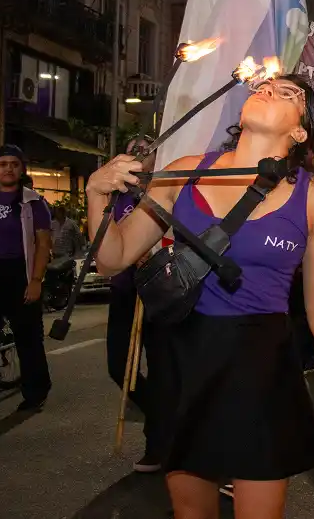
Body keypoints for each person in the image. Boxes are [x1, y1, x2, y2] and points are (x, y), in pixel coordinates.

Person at [84, 75, 314, 519]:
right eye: (265, 86)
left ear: (301, 130)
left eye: (288, 93)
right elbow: (113, 258)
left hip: (262, 365)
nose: (268, 90)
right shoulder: (185, 171)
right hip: (188, 357)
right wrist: (96, 193)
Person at [0, 145, 53, 425]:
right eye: (2, 164)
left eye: (14, 164)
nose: (8, 168)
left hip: (19, 272)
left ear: (22, 169)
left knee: (28, 337)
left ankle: (36, 391)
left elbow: (42, 244)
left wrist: (36, 280)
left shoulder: (33, 203)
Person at [104, 136, 171, 473]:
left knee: (161, 369)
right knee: (118, 365)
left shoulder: (166, 188)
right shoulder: (116, 193)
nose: (139, 155)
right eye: (133, 150)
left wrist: (153, 248)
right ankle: (161, 413)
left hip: (160, 289)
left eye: (147, 150)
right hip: (124, 287)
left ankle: (157, 443)